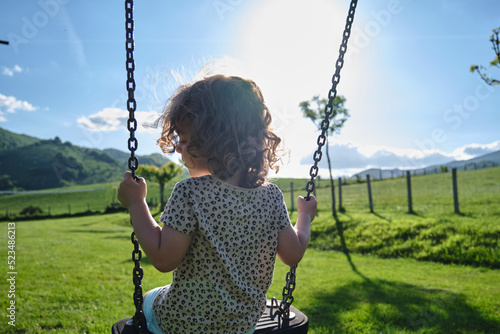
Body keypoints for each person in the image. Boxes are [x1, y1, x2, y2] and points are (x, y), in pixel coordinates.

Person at [117, 74, 317, 334]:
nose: (179, 149)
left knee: (150, 298)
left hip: (183, 325)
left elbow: (164, 258)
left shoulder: (189, 192)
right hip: (242, 326)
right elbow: (293, 254)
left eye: (185, 140)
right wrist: (305, 216)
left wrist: (136, 203)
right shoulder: (271, 196)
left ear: (216, 140)